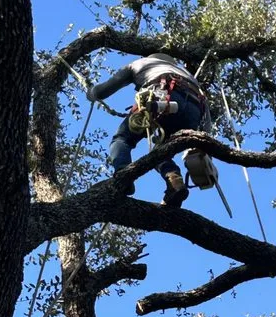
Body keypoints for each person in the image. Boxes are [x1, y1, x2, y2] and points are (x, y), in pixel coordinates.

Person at [86, 52, 210, 205]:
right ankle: (174, 181)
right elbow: (207, 122)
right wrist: (203, 148)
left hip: (163, 95)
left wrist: (91, 92)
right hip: (194, 111)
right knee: (160, 151)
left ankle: (123, 176)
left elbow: (102, 91)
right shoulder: (188, 75)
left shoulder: (140, 63)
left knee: (122, 138)